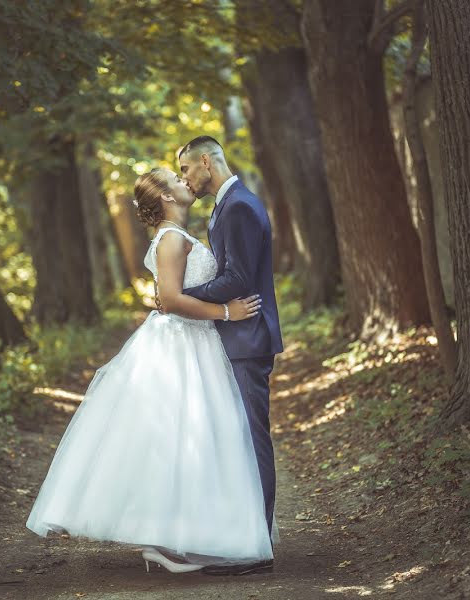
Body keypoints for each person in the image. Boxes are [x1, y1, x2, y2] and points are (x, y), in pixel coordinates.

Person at [26, 166, 273, 574]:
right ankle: (169, 540)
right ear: (166, 197)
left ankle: (183, 536)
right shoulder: (172, 239)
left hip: (193, 340)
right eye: (176, 181)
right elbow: (172, 300)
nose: (185, 182)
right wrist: (226, 312)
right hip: (182, 343)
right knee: (183, 436)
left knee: (196, 439)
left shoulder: (175, 236)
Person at [178, 135, 283, 576]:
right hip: (236, 336)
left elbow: (236, 277)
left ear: (206, 161)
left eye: (185, 169)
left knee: (253, 439)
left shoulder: (238, 205)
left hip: (247, 337)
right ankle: (247, 537)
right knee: (241, 438)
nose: (185, 178)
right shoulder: (227, 205)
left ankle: (256, 550)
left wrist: (180, 298)